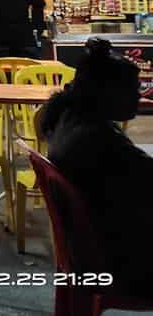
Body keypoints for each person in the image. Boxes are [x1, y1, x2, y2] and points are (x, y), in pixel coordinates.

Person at [39, 38, 153, 297]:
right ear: (104, 91)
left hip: (89, 250)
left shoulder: (67, 119)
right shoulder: (99, 141)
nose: (138, 96)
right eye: (130, 89)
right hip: (122, 264)